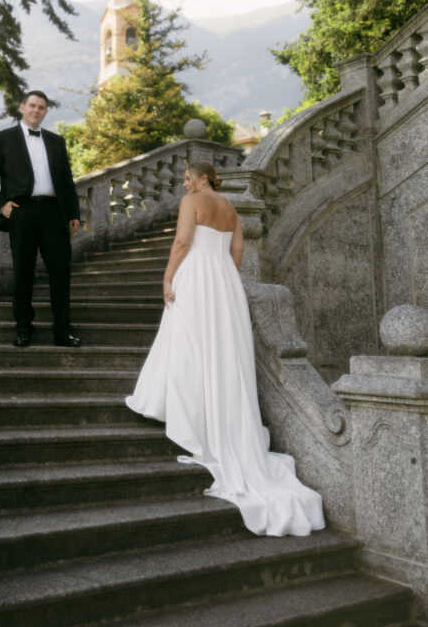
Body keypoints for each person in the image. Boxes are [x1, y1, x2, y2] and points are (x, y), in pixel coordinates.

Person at [125, 160, 325, 537]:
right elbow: (237, 251)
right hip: (223, 281)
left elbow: (183, 242)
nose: (185, 184)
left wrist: (168, 275)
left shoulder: (194, 201)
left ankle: (188, 415)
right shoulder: (230, 207)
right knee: (222, 353)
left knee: (189, 345)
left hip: (196, 276)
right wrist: (223, 277)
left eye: (187, 178)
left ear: (202, 178)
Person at [0, 90, 82, 348]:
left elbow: (66, 182)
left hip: (54, 213)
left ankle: (63, 331)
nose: (37, 110)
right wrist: (1, 204)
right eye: (32, 106)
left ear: (46, 112)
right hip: (22, 212)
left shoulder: (56, 142)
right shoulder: (3, 138)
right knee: (22, 273)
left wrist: (73, 213)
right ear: (22, 107)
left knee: (61, 273)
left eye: (42, 107)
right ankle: (23, 329)